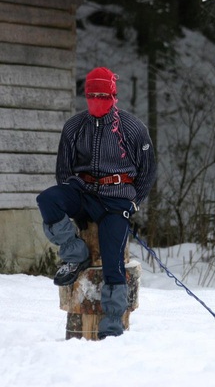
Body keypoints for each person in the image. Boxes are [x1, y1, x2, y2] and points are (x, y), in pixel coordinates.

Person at [37, 67, 156, 339]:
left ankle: (112, 326)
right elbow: (63, 172)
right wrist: (76, 201)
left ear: (113, 95)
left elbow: (148, 171)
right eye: (91, 95)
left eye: (102, 95)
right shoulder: (74, 127)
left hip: (117, 201)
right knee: (48, 199)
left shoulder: (133, 128)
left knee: (113, 263)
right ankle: (74, 251)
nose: (96, 100)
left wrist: (134, 202)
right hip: (84, 194)